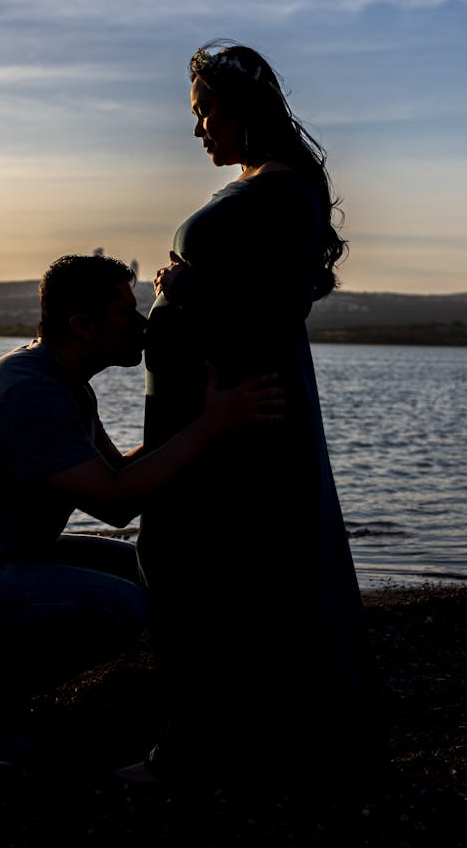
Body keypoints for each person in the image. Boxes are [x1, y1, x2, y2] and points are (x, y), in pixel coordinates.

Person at [0, 252, 282, 768]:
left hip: (10, 558)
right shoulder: (26, 391)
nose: (141, 325)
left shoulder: (64, 383)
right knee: (120, 607)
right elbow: (115, 502)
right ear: (82, 325)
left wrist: (202, 418)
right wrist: (210, 428)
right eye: (125, 313)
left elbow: (116, 472)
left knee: (151, 573)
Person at [122, 41, 383, 787]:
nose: (198, 129)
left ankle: (198, 751)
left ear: (241, 112)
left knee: (208, 570)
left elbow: (284, 304)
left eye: (206, 114)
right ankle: (216, 742)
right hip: (204, 409)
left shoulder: (288, 188)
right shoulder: (255, 183)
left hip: (237, 413)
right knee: (193, 564)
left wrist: (190, 291)